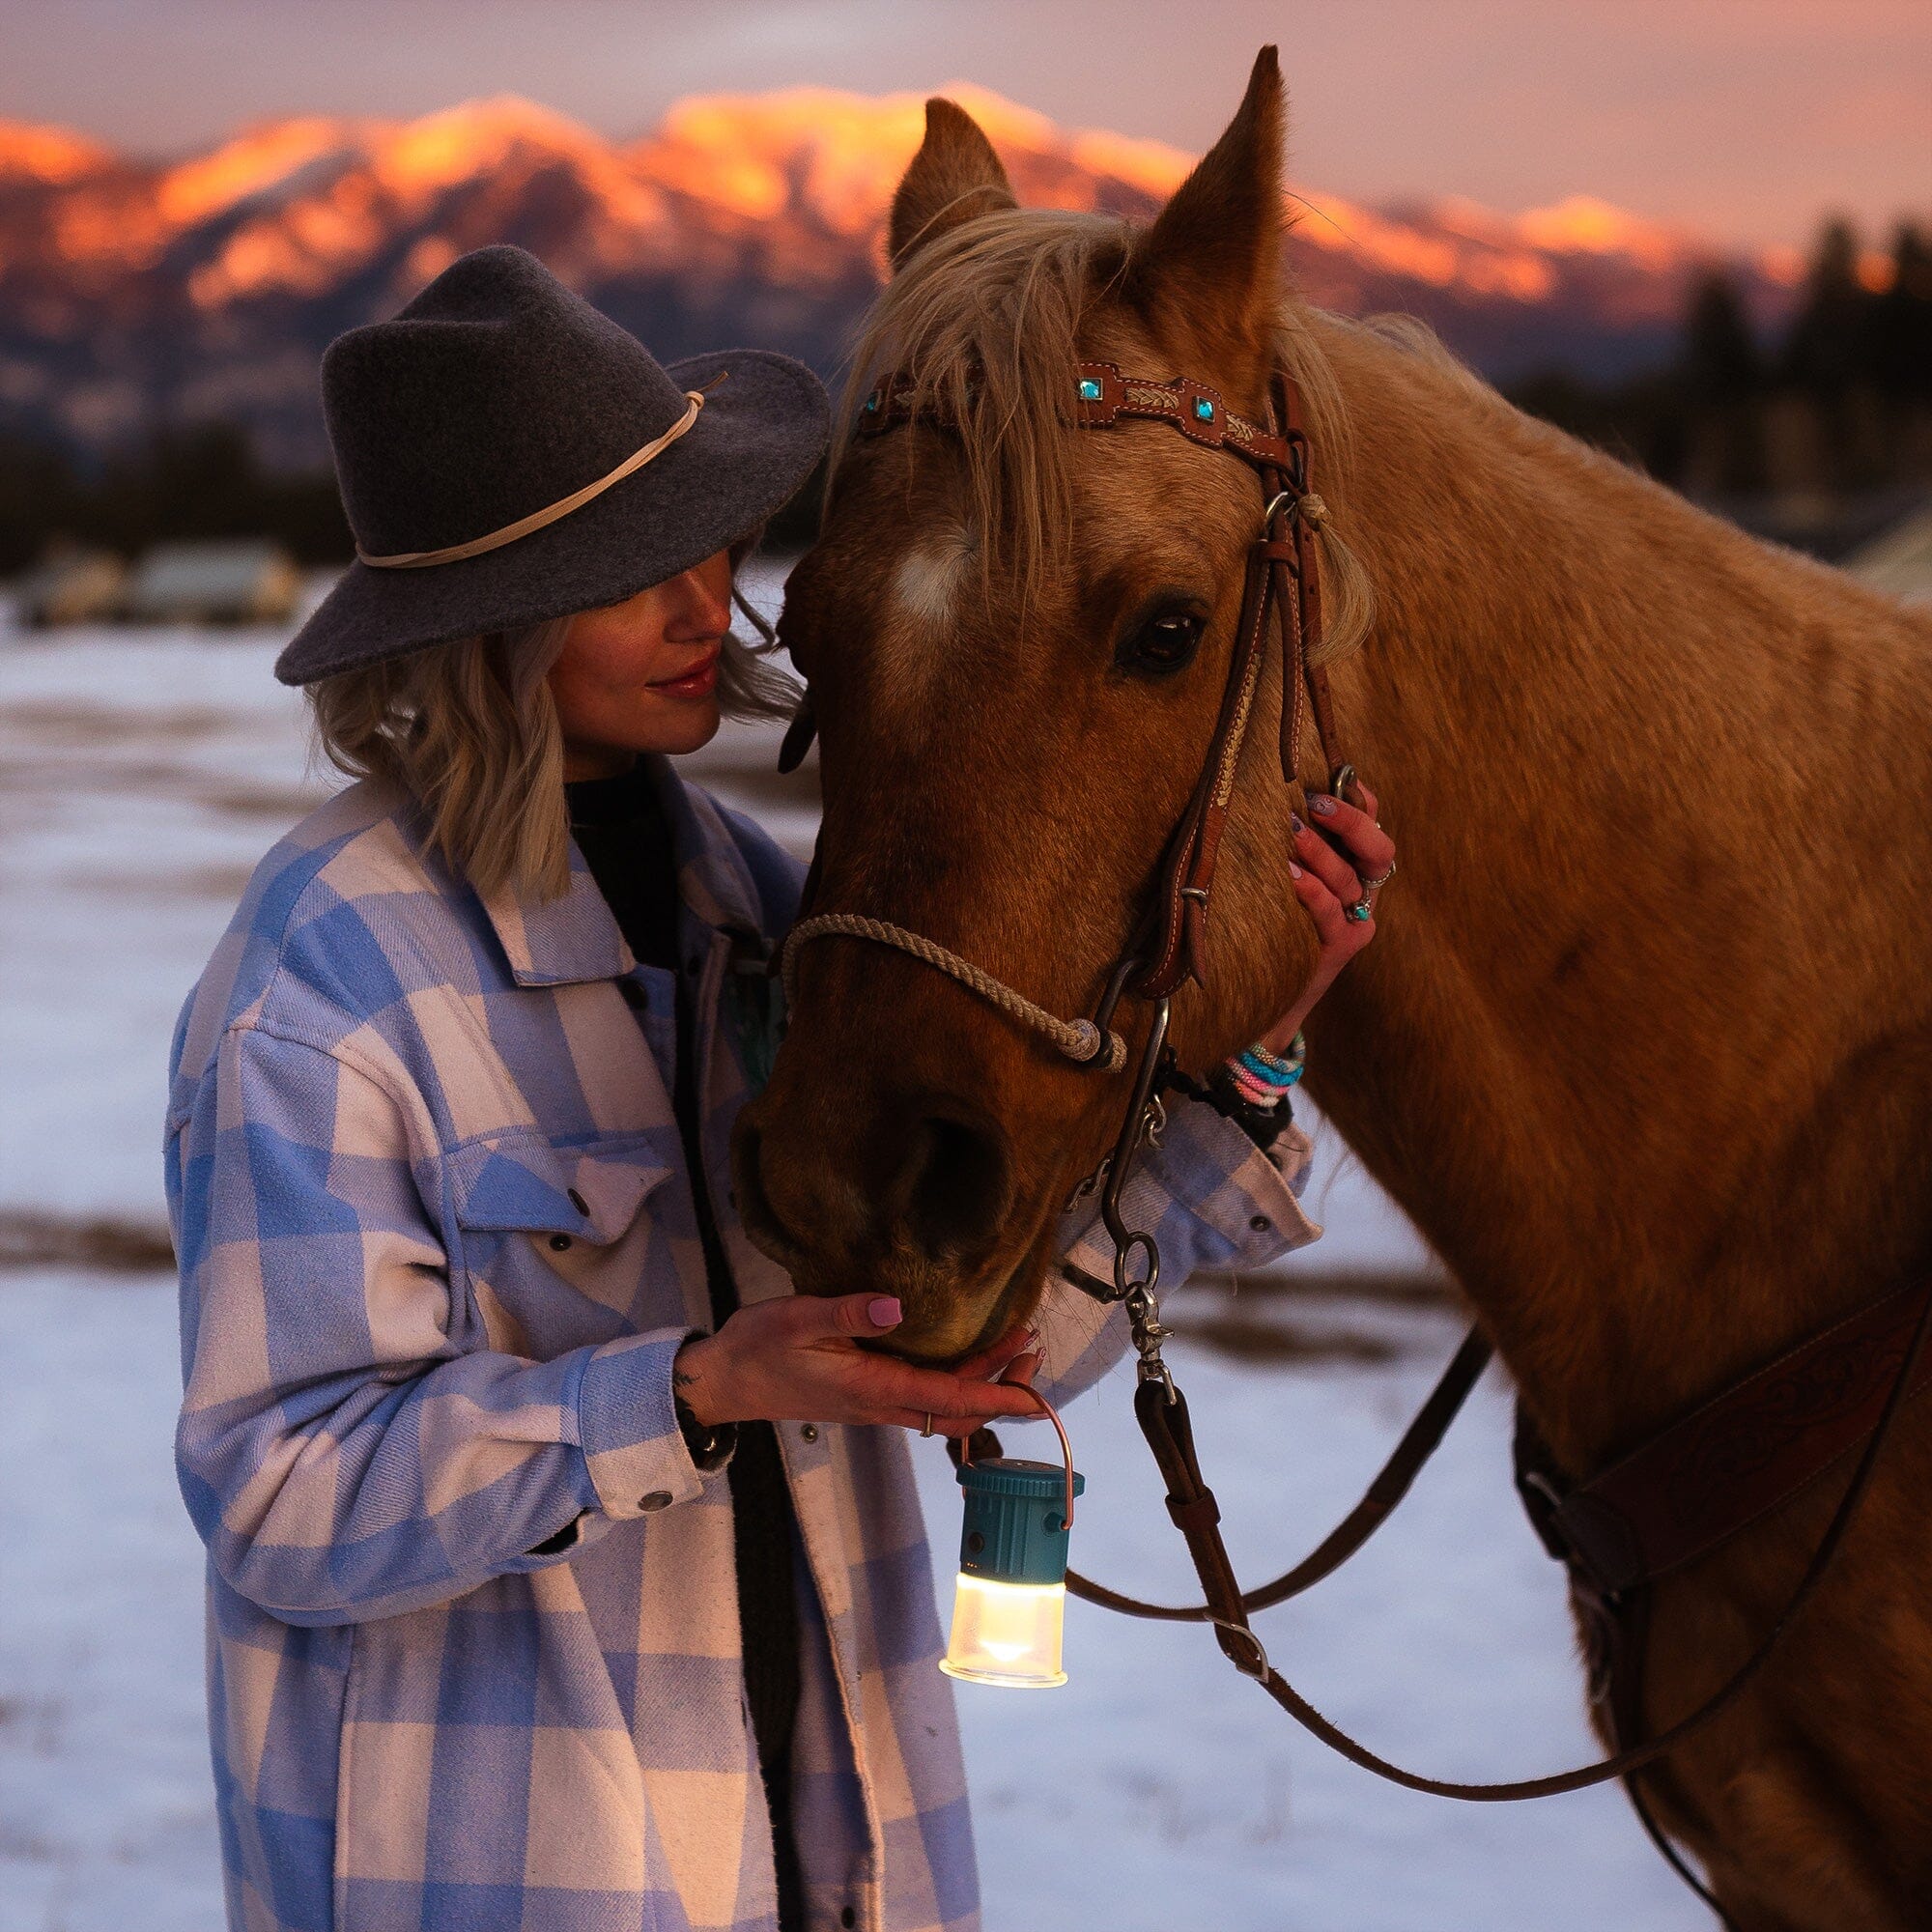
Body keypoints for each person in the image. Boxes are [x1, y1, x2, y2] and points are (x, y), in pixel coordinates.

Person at [164, 245, 1395, 1932]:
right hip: (514, 1877)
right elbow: (284, 1496)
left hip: (835, 1860)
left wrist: (1253, 1047)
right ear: (483, 624)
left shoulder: (763, 910)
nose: (710, 606)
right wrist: (685, 1392)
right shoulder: (322, 982)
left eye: (709, 542)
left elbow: (980, 1338)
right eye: (630, 572)